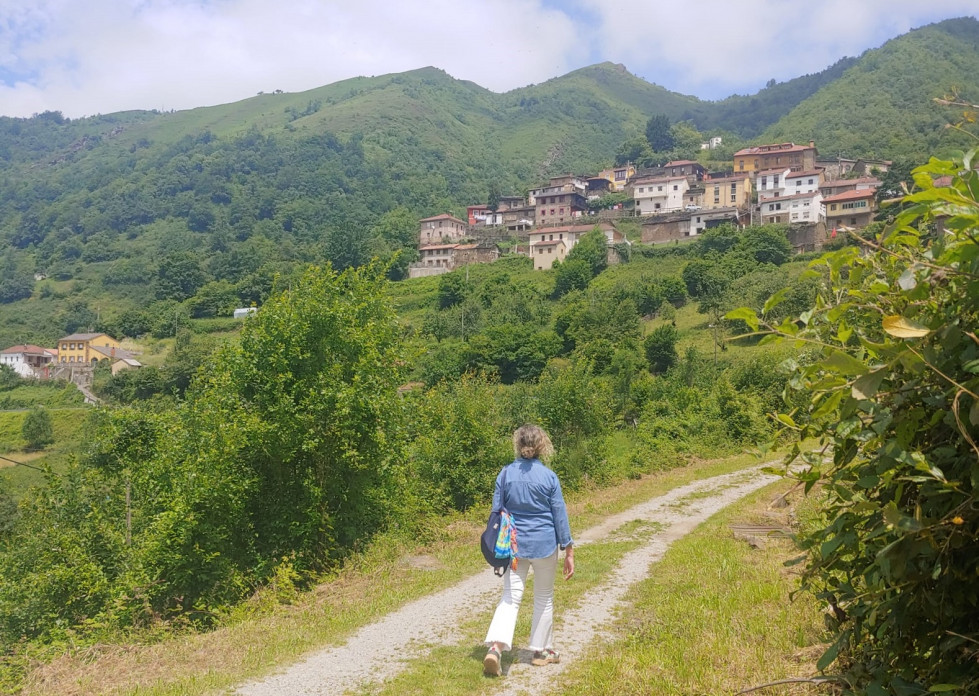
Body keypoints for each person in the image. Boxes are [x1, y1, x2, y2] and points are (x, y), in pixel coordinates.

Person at [483, 424, 574, 677]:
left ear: (518, 443)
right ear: (542, 445)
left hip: (514, 546)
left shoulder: (505, 474)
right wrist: (568, 549)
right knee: (544, 597)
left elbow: (497, 510)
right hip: (544, 545)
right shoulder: (549, 477)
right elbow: (559, 515)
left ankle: (495, 648)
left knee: (511, 597)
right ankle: (540, 652)